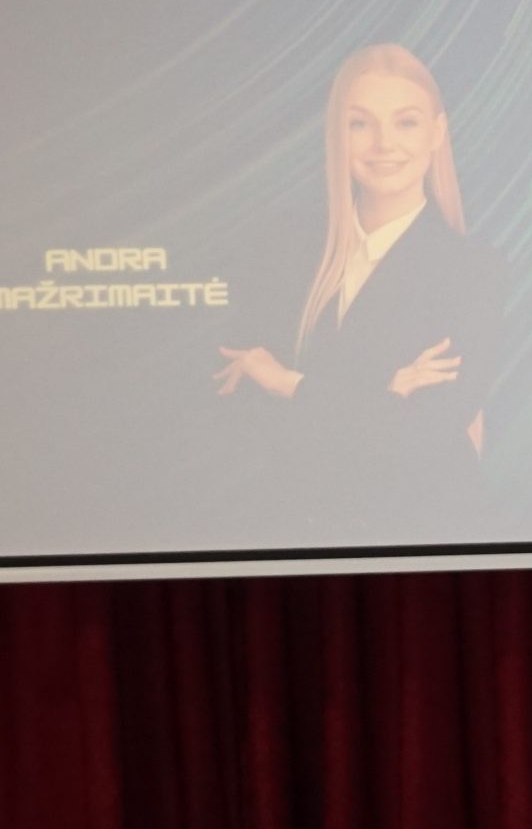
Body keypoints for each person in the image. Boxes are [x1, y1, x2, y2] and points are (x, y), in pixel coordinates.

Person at [212, 43, 505, 529]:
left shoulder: (472, 271)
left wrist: (288, 383)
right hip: (294, 533)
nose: (384, 143)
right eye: (360, 124)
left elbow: (423, 433)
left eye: (405, 122)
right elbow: (246, 411)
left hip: (423, 538)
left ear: (436, 133)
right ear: (336, 135)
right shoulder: (281, 251)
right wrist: (384, 395)